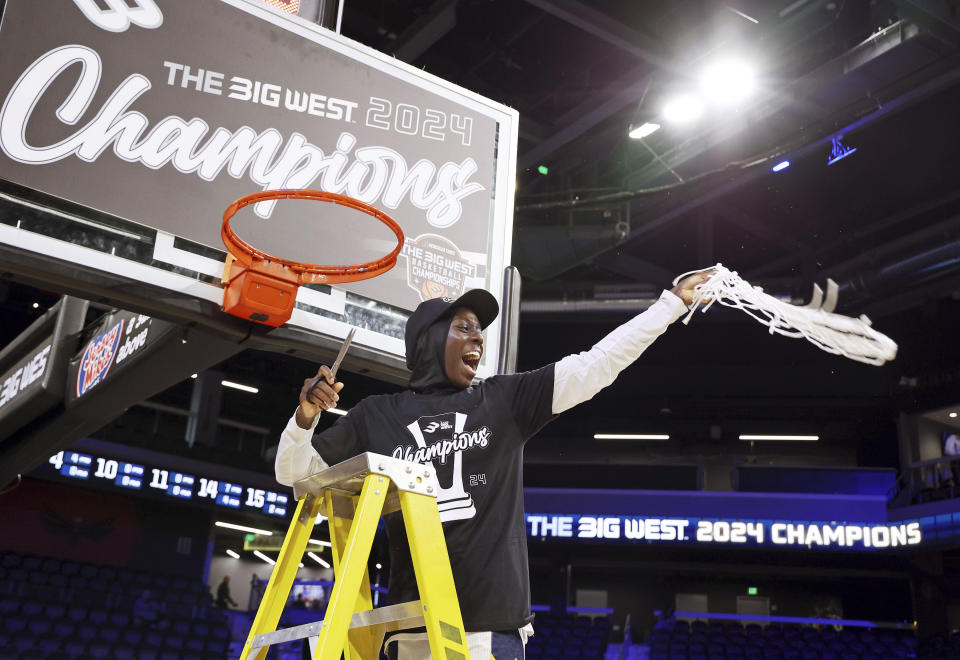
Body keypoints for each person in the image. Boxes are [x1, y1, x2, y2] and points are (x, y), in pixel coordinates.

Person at [275, 271, 711, 660]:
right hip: (410, 627)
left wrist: (670, 304)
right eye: (463, 327)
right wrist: (306, 418)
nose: (479, 338)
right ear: (428, 340)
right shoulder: (376, 415)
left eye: (480, 331)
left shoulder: (503, 400)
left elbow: (596, 364)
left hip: (490, 630)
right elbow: (293, 475)